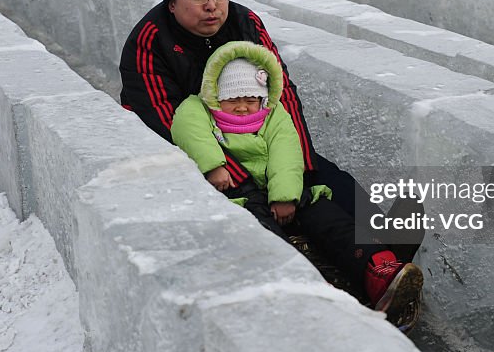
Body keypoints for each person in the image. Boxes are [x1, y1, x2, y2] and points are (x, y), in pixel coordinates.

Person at [119, 0, 424, 264]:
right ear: (172, 3)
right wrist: (243, 179)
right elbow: (168, 122)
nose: (211, 6)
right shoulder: (150, 38)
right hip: (192, 147)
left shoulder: (244, 21)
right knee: (253, 202)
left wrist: (298, 161)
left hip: (252, 132)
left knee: (323, 175)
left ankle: (384, 239)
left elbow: (280, 91)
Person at [170, 40, 423, 329]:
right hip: (237, 196)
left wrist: (285, 195)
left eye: (250, 99)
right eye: (232, 99)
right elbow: (188, 130)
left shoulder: (273, 115)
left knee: (328, 216)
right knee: (263, 234)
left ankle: (378, 267)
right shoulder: (198, 109)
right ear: (214, 95)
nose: (241, 107)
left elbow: (287, 152)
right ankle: (310, 286)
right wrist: (214, 165)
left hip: (281, 188)